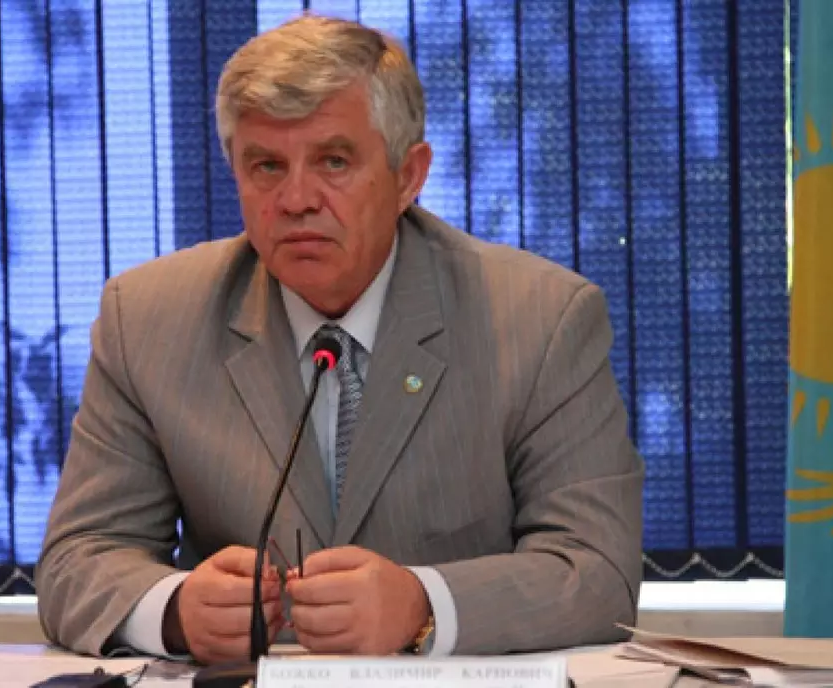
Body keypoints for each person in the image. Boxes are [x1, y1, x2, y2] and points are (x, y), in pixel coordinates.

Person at [35, 13, 644, 665]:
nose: (297, 198)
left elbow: (596, 571)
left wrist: (424, 606)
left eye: (333, 161)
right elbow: (77, 561)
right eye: (267, 166)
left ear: (408, 176)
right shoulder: (149, 320)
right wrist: (174, 609)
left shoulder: (540, 318)